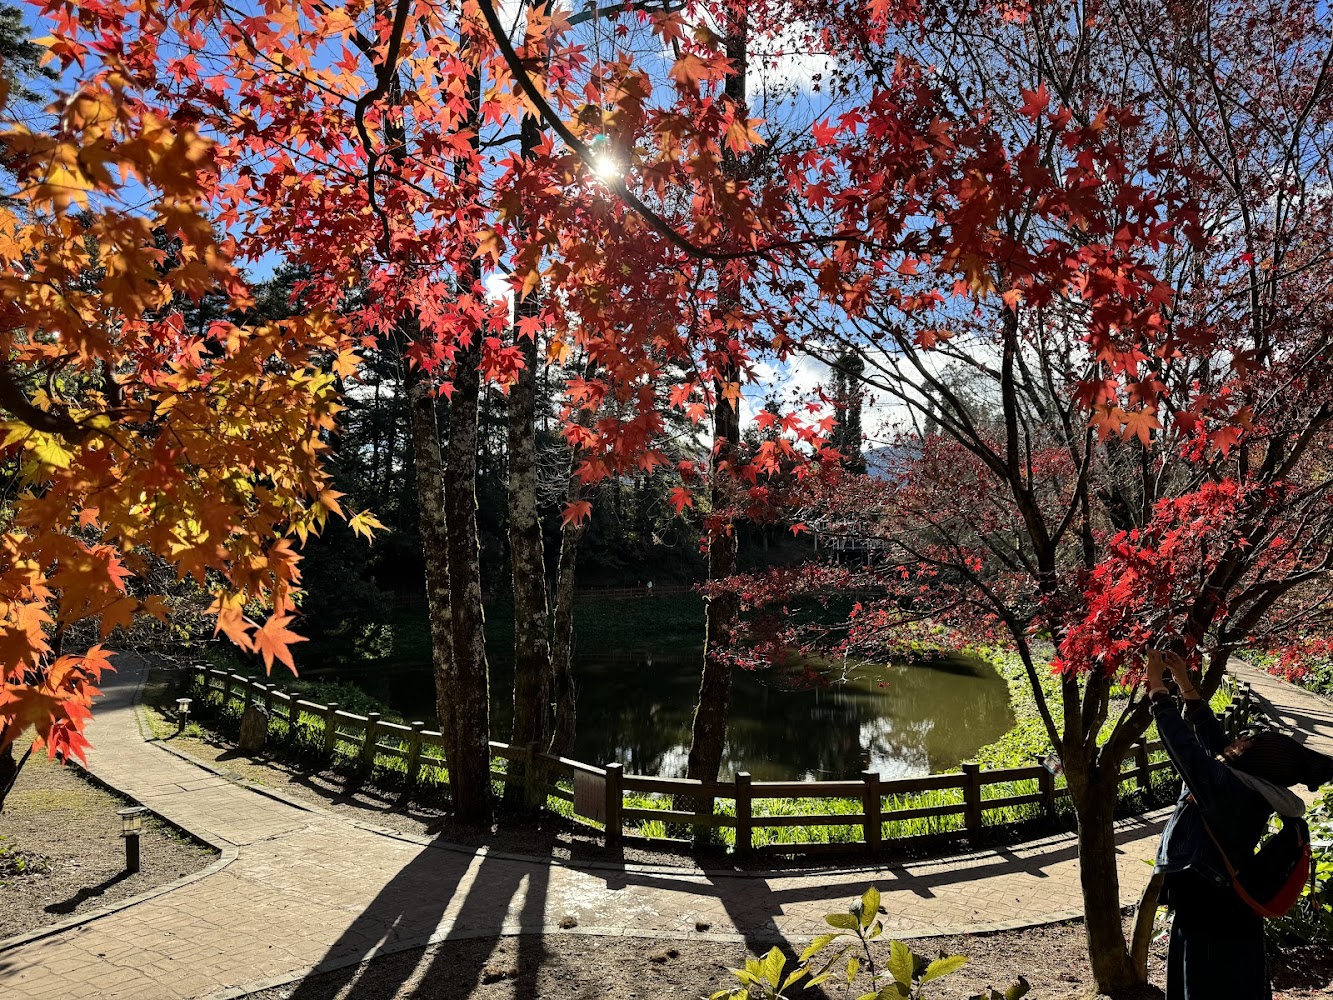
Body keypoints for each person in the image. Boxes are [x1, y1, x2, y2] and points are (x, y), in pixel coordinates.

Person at [1146, 649, 1333, 1000]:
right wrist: (1185, 684)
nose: (1240, 743)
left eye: (1249, 744)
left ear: (1251, 760)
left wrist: (1158, 690)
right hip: (1227, 904)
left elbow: (1182, 746)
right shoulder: (1249, 784)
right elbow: (1210, 738)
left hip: (1208, 907)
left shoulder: (1225, 786)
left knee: (1206, 986)